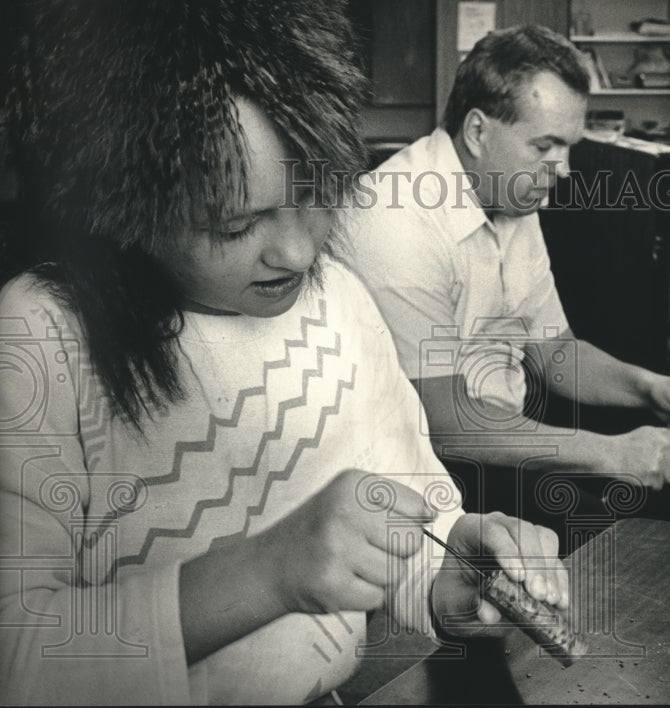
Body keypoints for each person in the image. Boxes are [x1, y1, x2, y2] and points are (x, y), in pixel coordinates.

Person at [0, 2, 568, 704]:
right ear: (123, 209)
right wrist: (269, 571)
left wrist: (458, 581)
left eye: (320, 195)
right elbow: (15, 655)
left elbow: (412, 534)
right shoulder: (42, 336)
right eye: (236, 223)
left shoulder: (339, 306)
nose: (298, 251)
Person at [344, 25, 670, 546]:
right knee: (614, 536)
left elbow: (553, 351)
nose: (563, 169)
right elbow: (447, 420)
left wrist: (648, 387)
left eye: (567, 146)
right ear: (478, 132)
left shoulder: (511, 194)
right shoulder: (395, 216)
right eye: (545, 145)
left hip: (499, 444)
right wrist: (610, 454)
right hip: (422, 470)